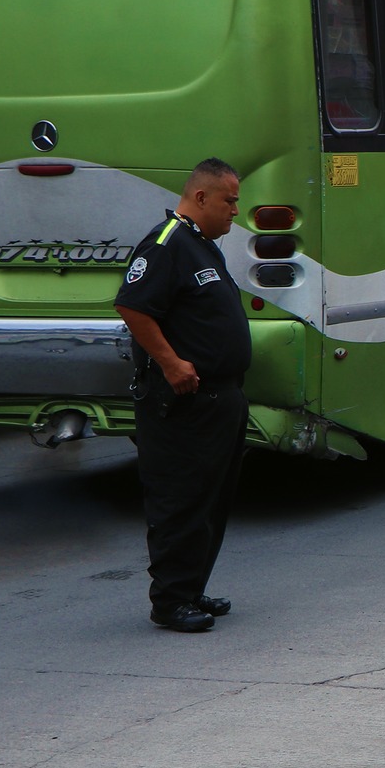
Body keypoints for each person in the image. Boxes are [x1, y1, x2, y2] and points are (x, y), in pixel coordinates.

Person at [114, 159, 251, 633]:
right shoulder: (165, 244)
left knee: (212, 500)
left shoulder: (202, 246)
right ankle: (170, 601)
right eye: (229, 200)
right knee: (181, 499)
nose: (236, 209)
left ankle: (191, 588)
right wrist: (171, 363)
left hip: (220, 399)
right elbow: (132, 307)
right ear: (200, 198)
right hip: (184, 403)